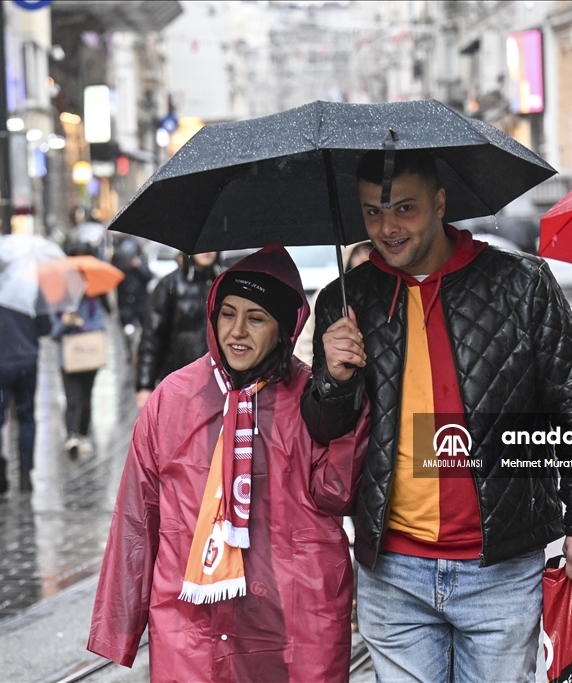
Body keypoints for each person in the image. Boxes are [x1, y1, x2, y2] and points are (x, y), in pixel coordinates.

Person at [300, 149, 572, 682]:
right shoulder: (346, 301)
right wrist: (333, 378)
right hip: (393, 572)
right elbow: (324, 431)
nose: (386, 227)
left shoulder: (523, 284)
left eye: (404, 209)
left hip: (501, 569)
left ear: (440, 203)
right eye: (373, 213)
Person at [88, 244, 370, 681]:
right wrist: (118, 626)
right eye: (227, 313)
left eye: (256, 318)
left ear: (285, 328)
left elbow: (338, 492)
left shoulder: (313, 397)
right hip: (191, 626)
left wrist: (341, 392)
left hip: (291, 624)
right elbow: (136, 518)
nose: (237, 331)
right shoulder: (174, 397)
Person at [0, 254, 52, 494]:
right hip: (27, 362)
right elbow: (45, 327)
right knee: (26, 416)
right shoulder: (31, 291)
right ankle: (26, 472)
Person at [135, 251, 222, 409]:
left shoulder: (225, 283)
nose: (207, 252)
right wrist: (145, 384)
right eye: (200, 248)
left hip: (219, 383)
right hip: (179, 381)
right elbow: (152, 338)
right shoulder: (169, 284)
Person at [53, 294, 108, 459]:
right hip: (68, 362)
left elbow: (100, 327)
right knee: (72, 399)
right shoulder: (59, 306)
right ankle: (72, 436)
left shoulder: (92, 303)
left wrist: (81, 324)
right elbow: (54, 334)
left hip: (90, 360)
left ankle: (83, 434)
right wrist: (65, 323)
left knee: (85, 399)